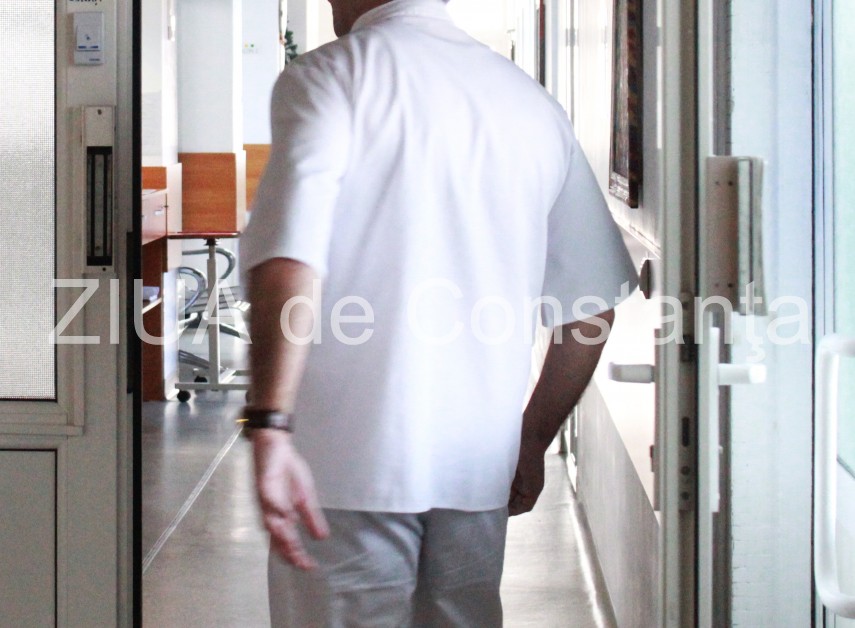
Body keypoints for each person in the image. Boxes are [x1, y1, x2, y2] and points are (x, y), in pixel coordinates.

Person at [239, 0, 636, 625]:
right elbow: (591, 309)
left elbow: (290, 260)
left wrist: (268, 422)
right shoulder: (530, 104)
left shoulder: (329, 77)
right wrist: (531, 436)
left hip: (343, 466)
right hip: (477, 467)